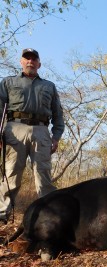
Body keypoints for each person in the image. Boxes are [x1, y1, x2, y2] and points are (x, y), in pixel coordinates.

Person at [0, 48, 65, 223]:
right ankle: (2, 216)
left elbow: (57, 113)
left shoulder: (48, 86)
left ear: (39, 64)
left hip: (41, 130)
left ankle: (49, 218)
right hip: (15, 129)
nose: (30, 61)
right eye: (26, 58)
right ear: (21, 62)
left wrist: (56, 136)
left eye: (33, 59)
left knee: (43, 175)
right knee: (11, 174)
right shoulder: (8, 82)